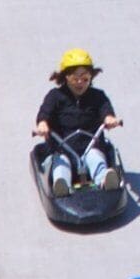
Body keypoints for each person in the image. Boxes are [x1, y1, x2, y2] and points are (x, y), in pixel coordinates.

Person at [34, 49, 122, 188]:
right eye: (75, 78)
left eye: (85, 78)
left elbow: (106, 110)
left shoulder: (98, 96)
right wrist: (43, 124)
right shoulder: (55, 96)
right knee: (61, 164)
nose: (80, 82)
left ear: (91, 77)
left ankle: (104, 180)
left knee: (96, 159)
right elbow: (45, 112)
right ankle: (61, 185)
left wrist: (109, 118)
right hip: (63, 147)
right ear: (66, 77)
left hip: (90, 145)